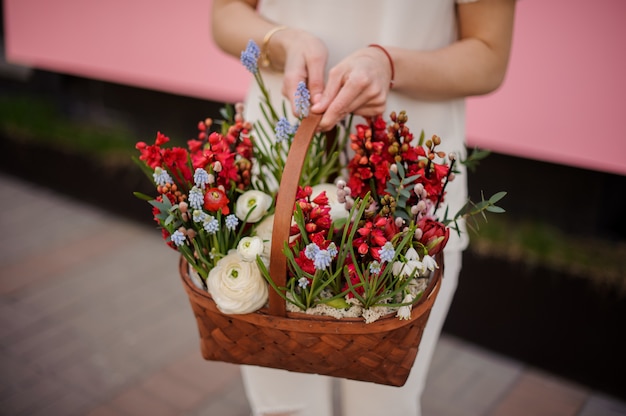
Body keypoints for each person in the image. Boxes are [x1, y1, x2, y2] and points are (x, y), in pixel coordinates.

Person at [211, 1, 516, 415]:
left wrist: (389, 64)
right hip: (276, 180)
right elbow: (226, 14)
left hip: (409, 190)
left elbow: (488, 55)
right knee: (283, 408)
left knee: (385, 405)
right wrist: (283, 42)